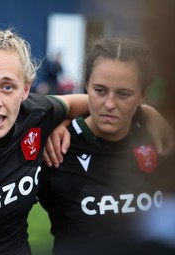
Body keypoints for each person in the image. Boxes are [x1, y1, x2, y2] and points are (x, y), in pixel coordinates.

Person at [0, 28, 167, 255]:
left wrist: (146, 112)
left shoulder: (36, 114)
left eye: (8, 86)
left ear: (26, 89)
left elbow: (90, 103)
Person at [38, 37, 175, 255]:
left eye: (123, 94)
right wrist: (54, 121)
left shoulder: (161, 141)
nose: (110, 104)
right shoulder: (55, 147)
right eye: (100, 90)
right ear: (85, 86)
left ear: (144, 95)